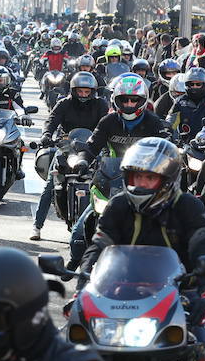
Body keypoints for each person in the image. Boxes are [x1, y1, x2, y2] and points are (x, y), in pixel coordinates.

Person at [78, 137, 205, 361]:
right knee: (69, 354)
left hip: (180, 298)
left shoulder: (188, 207)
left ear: (166, 180)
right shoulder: (118, 206)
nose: (140, 184)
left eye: (149, 177)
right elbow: (99, 245)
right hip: (118, 299)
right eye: (135, 176)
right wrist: (83, 279)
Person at [67, 74, 171, 267]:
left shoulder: (153, 122)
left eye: (134, 100)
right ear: (117, 100)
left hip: (145, 184)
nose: (129, 104)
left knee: (171, 225)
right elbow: (91, 147)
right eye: (124, 99)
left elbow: (165, 146)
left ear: (142, 101)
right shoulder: (108, 122)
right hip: (111, 178)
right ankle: (76, 263)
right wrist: (82, 161)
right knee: (81, 228)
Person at [31, 71, 108, 240]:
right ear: (73, 90)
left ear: (93, 91)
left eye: (87, 92)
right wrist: (46, 134)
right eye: (80, 91)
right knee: (50, 184)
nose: (83, 95)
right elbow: (51, 120)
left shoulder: (101, 105)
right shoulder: (64, 103)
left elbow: (107, 124)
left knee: (106, 181)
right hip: (67, 146)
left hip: (91, 148)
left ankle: (107, 227)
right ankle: (37, 226)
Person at [166, 67, 205, 142]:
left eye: (198, 84)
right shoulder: (180, 102)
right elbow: (171, 122)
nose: (194, 87)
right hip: (186, 145)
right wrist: (168, 134)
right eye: (191, 84)